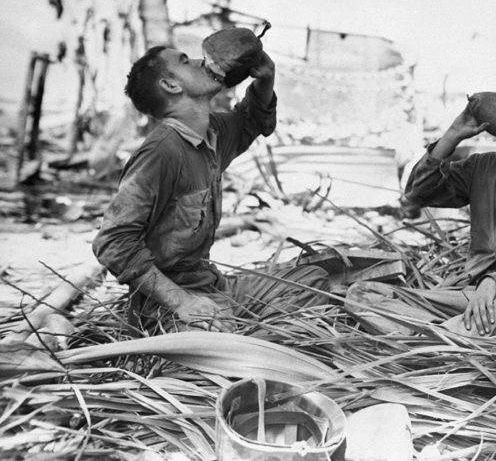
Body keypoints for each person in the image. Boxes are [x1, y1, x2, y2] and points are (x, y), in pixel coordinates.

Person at [92, 45, 327, 334]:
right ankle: (245, 343)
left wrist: (265, 79)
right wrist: (182, 303)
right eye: (184, 61)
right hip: (168, 305)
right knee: (217, 339)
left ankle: (252, 337)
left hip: (212, 285)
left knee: (313, 278)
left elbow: (251, 121)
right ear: (171, 85)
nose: (199, 61)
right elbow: (113, 242)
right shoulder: (161, 152)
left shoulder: (212, 133)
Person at [346, 89, 496, 337]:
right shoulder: (482, 167)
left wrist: (494, 280)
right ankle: (447, 339)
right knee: (362, 294)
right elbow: (417, 193)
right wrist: (454, 133)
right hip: (471, 297)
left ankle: (436, 341)